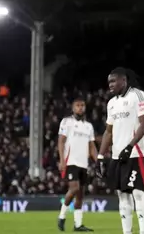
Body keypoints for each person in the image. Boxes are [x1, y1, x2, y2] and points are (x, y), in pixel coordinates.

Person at [97, 68, 144, 234]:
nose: (110, 85)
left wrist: (130, 146)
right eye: (109, 82)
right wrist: (100, 156)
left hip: (136, 153)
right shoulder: (112, 103)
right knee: (122, 195)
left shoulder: (138, 95)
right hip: (116, 155)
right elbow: (108, 131)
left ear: (124, 80)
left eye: (113, 81)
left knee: (138, 193)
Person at [57, 98, 97, 232]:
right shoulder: (67, 122)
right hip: (71, 161)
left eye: (82, 105)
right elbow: (61, 142)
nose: (80, 108)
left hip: (83, 163)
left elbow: (91, 146)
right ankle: (62, 215)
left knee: (80, 194)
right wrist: (62, 160)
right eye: (78, 105)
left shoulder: (88, 126)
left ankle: (78, 224)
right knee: (74, 189)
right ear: (73, 108)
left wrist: (98, 161)